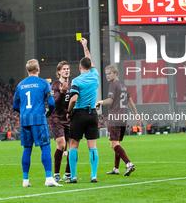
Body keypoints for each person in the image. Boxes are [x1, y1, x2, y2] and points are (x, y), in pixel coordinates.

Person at [13, 59, 62, 187]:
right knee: (45, 146)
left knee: (27, 149)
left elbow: (15, 105)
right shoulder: (44, 83)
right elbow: (51, 103)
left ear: (27, 70)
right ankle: (49, 178)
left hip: (25, 120)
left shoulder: (20, 85)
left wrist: (24, 112)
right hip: (39, 119)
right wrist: (48, 113)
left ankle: (25, 181)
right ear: (38, 69)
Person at [65, 37, 99, 183]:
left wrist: (68, 112)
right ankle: (94, 175)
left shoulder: (77, 81)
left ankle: (72, 176)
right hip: (92, 113)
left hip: (79, 114)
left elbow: (73, 99)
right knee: (92, 146)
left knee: (74, 144)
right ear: (90, 67)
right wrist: (85, 46)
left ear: (80, 67)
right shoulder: (95, 75)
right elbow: (89, 61)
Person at [96, 65, 138, 176]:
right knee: (117, 143)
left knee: (113, 144)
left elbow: (109, 101)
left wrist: (99, 102)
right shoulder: (123, 86)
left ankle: (128, 163)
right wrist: (136, 114)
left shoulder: (113, 85)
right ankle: (116, 168)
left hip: (115, 118)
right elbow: (130, 101)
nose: (107, 76)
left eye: (109, 73)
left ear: (116, 73)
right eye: (106, 74)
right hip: (124, 118)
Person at [48, 61, 71, 182]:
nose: (66, 70)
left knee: (72, 146)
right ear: (59, 71)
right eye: (64, 69)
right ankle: (56, 174)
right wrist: (62, 94)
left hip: (68, 118)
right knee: (62, 145)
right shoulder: (55, 85)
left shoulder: (72, 85)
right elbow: (54, 103)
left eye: (67, 69)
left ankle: (68, 173)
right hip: (56, 117)